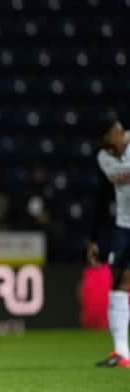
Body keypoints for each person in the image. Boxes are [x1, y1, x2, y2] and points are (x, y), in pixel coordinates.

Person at [89, 114, 130, 368]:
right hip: (124, 226)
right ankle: (121, 351)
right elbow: (102, 196)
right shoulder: (104, 158)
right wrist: (93, 237)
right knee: (119, 282)